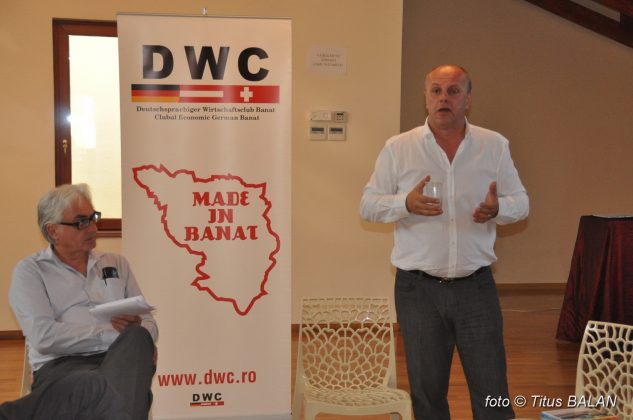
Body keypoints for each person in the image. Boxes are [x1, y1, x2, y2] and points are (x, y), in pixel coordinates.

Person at [360, 64, 529, 420]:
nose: (444, 98)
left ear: (468, 99)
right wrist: (405, 203)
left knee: (493, 392)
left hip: (476, 287)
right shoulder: (399, 148)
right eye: (436, 90)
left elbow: (521, 203)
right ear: (425, 97)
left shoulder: (493, 145)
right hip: (418, 291)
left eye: (453, 91)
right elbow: (368, 205)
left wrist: (499, 209)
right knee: (427, 394)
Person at [0, 183, 158, 420]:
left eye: (93, 218)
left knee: (137, 337)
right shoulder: (31, 271)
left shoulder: (116, 263)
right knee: (94, 385)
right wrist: (112, 334)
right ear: (53, 231)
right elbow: (43, 336)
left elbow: (149, 323)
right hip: (62, 366)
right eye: (81, 222)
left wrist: (140, 335)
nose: (93, 228)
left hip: (120, 360)